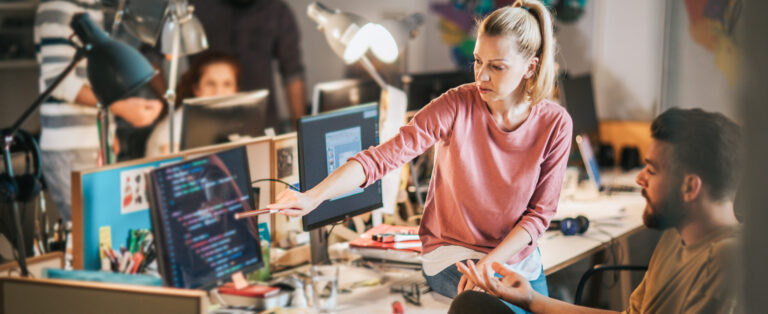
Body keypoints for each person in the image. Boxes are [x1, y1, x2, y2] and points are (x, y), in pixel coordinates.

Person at [268, 0, 570, 311]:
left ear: (530, 67)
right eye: (478, 61)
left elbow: (539, 216)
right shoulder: (456, 105)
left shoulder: (555, 124)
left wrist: (490, 263)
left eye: (497, 67)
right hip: (453, 253)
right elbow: (380, 159)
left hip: (515, 259)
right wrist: (314, 197)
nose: (481, 76)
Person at [450, 108, 743, 314]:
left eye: (652, 170)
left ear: (690, 187)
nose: (640, 178)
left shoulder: (727, 260)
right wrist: (531, 299)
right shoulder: (676, 237)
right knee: (472, 306)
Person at [34, 0, 162, 221]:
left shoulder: (93, 8)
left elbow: (96, 78)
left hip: (94, 143)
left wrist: (108, 129)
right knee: (87, 235)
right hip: (69, 146)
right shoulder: (58, 7)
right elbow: (57, 81)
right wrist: (121, 108)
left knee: (106, 231)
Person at [191, 0, 306, 133]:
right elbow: (162, 51)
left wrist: (301, 134)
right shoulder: (196, 9)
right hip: (206, 130)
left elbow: (293, 74)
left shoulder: (275, 10)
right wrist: (165, 108)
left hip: (264, 126)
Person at [144, 51, 240, 157]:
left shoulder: (230, 122)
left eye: (227, 84)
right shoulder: (175, 128)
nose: (219, 92)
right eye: (210, 84)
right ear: (196, 89)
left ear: (236, 90)